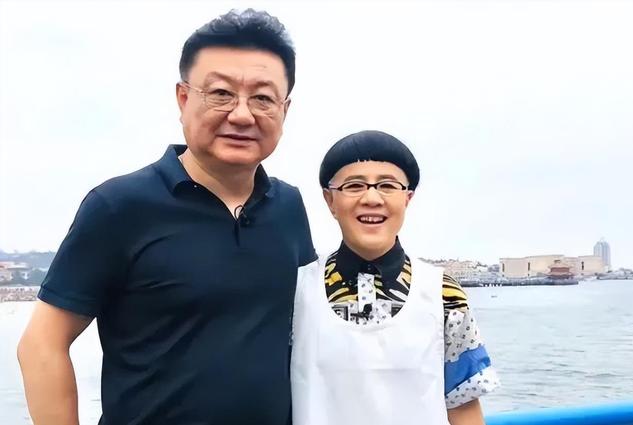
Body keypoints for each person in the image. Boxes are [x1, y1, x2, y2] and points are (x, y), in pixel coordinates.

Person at [17, 9, 315, 425]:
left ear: (285, 109)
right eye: (221, 93)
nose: (242, 114)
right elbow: (42, 344)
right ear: (183, 98)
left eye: (263, 98)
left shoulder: (288, 207)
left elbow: (307, 335)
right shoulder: (119, 206)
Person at [291, 130, 499, 425]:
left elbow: (462, 405)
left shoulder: (444, 293)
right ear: (330, 200)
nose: (371, 198)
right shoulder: (295, 291)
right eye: (354, 185)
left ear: (407, 198)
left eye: (387, 185)